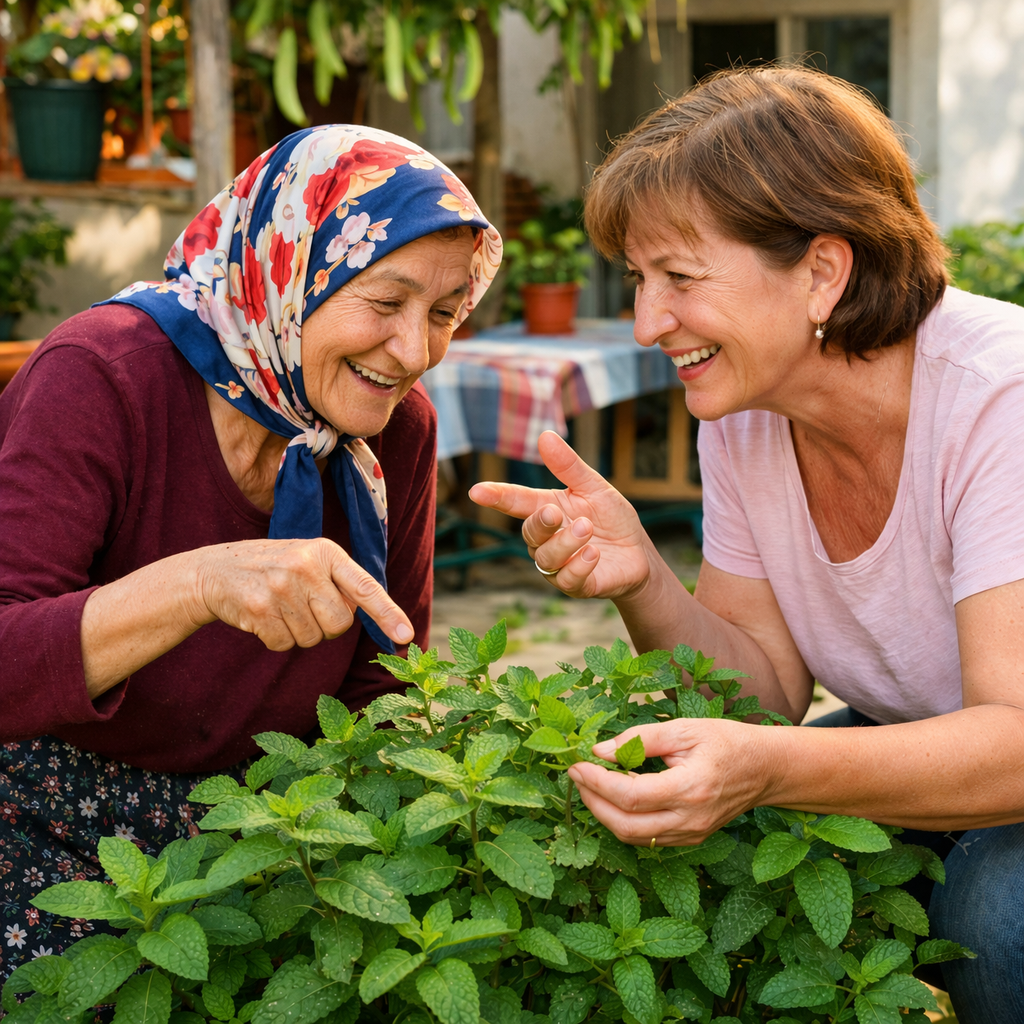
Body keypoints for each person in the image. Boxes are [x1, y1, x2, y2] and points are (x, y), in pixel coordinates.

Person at [470, 67, 1024, 1022]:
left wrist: (772, 771)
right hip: (941, 751)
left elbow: (1016, 744)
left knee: (995, 912)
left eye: (680, 279)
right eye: (640, 280)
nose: (648, 323)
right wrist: (643, 578)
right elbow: (763, 695)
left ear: (822, 270)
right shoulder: (743, 414)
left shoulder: (997, 399)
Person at [0, 124, 501, 973]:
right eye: (384, 303)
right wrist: (199, 583)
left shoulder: (394, 429)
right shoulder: (103, 373)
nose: (415, 352)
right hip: (47, 820)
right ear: (291, 270)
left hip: (266, 830)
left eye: (445, 314)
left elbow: (386, 677)